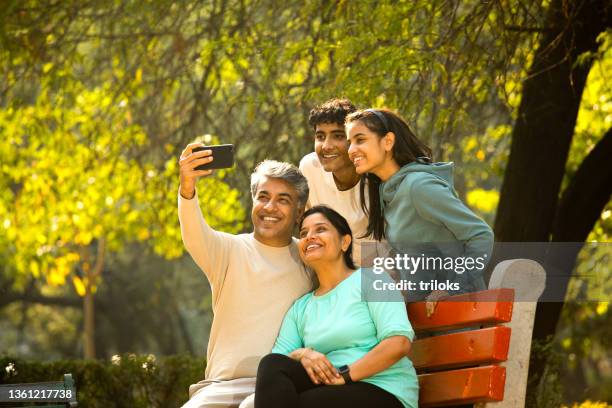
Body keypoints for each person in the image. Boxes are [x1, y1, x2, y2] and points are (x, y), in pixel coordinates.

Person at [178, 143, 313, 408]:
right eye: (263, 197)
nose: (270, 207)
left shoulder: (311, 258)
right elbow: (193, 233)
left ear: (299, 211)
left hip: (280, 386)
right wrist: (187, 187)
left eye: (283, 200)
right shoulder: (228, 250)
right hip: (221, 387)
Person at [255, 205, 418, 408]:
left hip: (382, 389)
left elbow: (398, 342)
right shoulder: (301, 307)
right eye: (304, 233)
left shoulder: (372, 279)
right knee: (271, 365)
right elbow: (280, 359)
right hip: (328, 388)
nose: (309, 237)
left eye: (320, 229)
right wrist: (303, 354)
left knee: (307, 403)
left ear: (345, 242)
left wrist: (345, 375)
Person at [345, 108, 494, 311]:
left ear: (388, 141)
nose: (351, 150)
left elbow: (481, 235)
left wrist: (452, 288)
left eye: (360, 139)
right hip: (423, 316)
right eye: (349, 142)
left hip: (459, 312)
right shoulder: (387, 193)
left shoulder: (418, 186)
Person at [299, 98, 373, 266]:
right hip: (327, 272)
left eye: (338, 136)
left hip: (376, 275)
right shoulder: (310, 168)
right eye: (320, 136)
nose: (326, 146)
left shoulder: (374, 175)